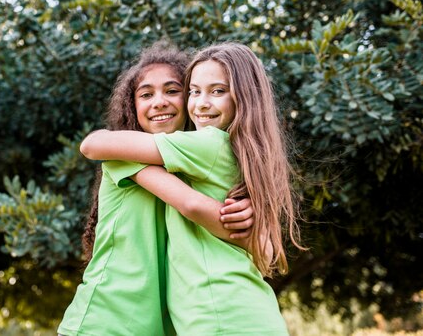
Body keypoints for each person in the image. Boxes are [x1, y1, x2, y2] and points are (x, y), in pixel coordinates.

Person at [79, 42, 304, 335]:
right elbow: (93, 144)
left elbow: (265, 248)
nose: (160, 102)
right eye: (146, 94)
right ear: (131, 105)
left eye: (174, 91)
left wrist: (249, 215)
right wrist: (229, 216)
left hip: (212, 318)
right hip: (108, 319)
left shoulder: (200, 153)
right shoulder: (123, 155)